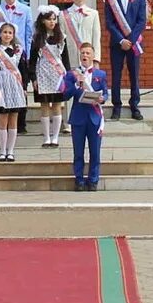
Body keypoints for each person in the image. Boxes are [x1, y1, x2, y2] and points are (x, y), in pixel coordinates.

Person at [61, 42, 109, 191]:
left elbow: (106, 93)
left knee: (95, 151)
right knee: (78, 152)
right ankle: (79, 180)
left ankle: (93, 180)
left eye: (88, 53)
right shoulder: (72, 75)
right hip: (78, 117)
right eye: (83, 53)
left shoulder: (100, 75)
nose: (85, 56)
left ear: (93, 56)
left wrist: (103, 99)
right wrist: (77, 86)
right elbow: (65, 94)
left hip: (94, 117)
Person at [104, 0, 148, 121]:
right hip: (117, 44)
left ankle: (134, 106)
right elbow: (109, 23)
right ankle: (116, 106)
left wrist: (131, 39)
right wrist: (121, 40)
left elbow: (142, 21)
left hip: (134, 43)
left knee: (134, 74)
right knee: (116, 75)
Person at [30, 7, 70, 149]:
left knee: (57, 106)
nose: (52, 22)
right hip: (42, 75)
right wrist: (33, 78)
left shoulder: (61, 38)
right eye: (49, 19)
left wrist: (68, 77)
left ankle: (55, 137)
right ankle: (46, 137)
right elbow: (33, 60)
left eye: (54, 19)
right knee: (45, 106)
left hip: (58, 75)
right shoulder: (37, 38)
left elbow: (65, 60)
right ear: (42, 20)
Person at [0, 23, 28, 162]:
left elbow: (24, 69)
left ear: (13, 35)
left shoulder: (19, 50)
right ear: (0, 34)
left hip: (16, 86)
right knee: (2, 119)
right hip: (2, 84)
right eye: (4, 32)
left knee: (13, 119)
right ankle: (2, 150)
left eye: (10, 32)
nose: (7, 35)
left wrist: (24, 87)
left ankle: (10, 151)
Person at [60, 0, 102, 67]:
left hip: (88, 59)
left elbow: (96, 38)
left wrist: (96, 59)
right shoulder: (63, 14)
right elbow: (61, 39)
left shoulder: (93, 14)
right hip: (70, 59)